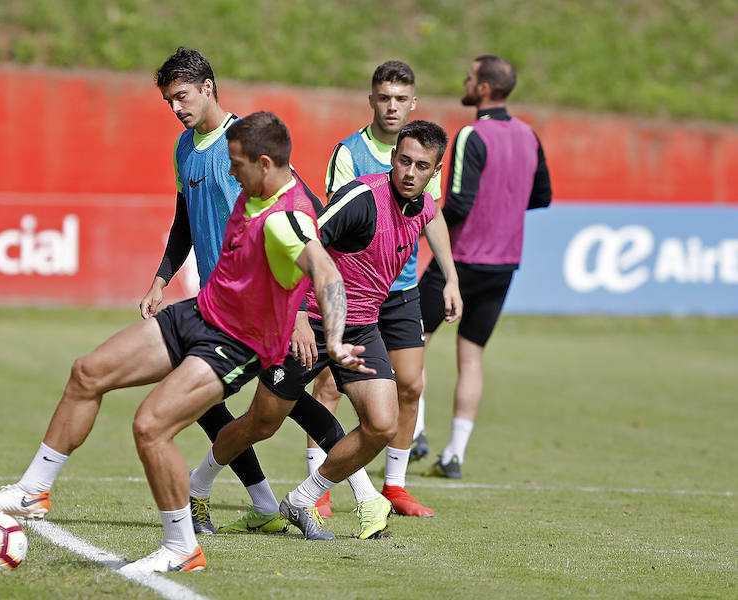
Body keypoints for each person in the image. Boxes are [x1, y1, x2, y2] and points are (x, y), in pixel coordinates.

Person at [0, 111, 371, 573]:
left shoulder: (288, 219)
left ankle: (182, 548)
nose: (230, 172)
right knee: (88, 372)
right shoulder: (255, 187)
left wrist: (333, 341)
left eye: (236, 164)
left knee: (151, 426)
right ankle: (33, 490)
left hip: (235, 344)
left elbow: (327, 274)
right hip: (199, 313)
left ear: (263, 163)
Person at [188, 121, 462, 541]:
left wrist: (451, 278)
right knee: (261, 423)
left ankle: (301, 500)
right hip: (308, 318)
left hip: (361, 326)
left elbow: (434, 218)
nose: (409, 172)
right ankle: (197, 487)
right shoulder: (362, 197)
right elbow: (303, 236)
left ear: (435, 172)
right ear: (393, 158)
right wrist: (296, 313)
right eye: (403, 160)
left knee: (382, 424)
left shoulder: (423, 205)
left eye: (421, 166)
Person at [137, 47, 349, 537]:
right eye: (169, 100)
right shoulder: (183, 148)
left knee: (283, 402)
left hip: (266, 306)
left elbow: (303, 218)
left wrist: (296, 309)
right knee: (221, 403)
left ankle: (359, 493)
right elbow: (184, 220)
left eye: (182, 96)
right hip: (217, 306)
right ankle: (267, 502)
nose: (176, 108)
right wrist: (161, 278)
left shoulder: (246, 144)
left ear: (208, 87)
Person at [310, 60, 443, 518]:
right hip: (352, 292)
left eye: (400, 98)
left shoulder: (427, 148)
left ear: (412, 103)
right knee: (328, 384)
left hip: (401, 290)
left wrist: (450, 275)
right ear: (372, 99)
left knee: (410, 385)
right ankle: (319, 488)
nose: (392, 106)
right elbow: (334, 225)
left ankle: (395, 487)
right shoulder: (348, 152)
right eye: (384, 97)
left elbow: (432, 213)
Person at [419, 55, 552, 479]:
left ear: (484, 89)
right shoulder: (529, 135)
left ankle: (416, 432)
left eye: (471, 77)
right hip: (504, 264)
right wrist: (506, 207)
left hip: (459, 262)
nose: (465, 81)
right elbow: (542, 196)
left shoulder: (472, 134)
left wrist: (421, 221)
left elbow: (457, 203)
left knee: (412, 342)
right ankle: (454, 456)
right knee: (471, 358)